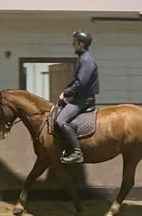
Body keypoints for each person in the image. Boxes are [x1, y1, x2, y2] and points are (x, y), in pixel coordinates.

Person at [56, 30, 100, 164]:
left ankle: (76, 152)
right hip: (80, 97)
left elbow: (81, 82)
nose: (72, 44)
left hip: (83, 99)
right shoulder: (82, 58)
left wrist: (67, 92)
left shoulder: (86, 60)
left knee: (61, 120)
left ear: (81, 44)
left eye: (74, 42)